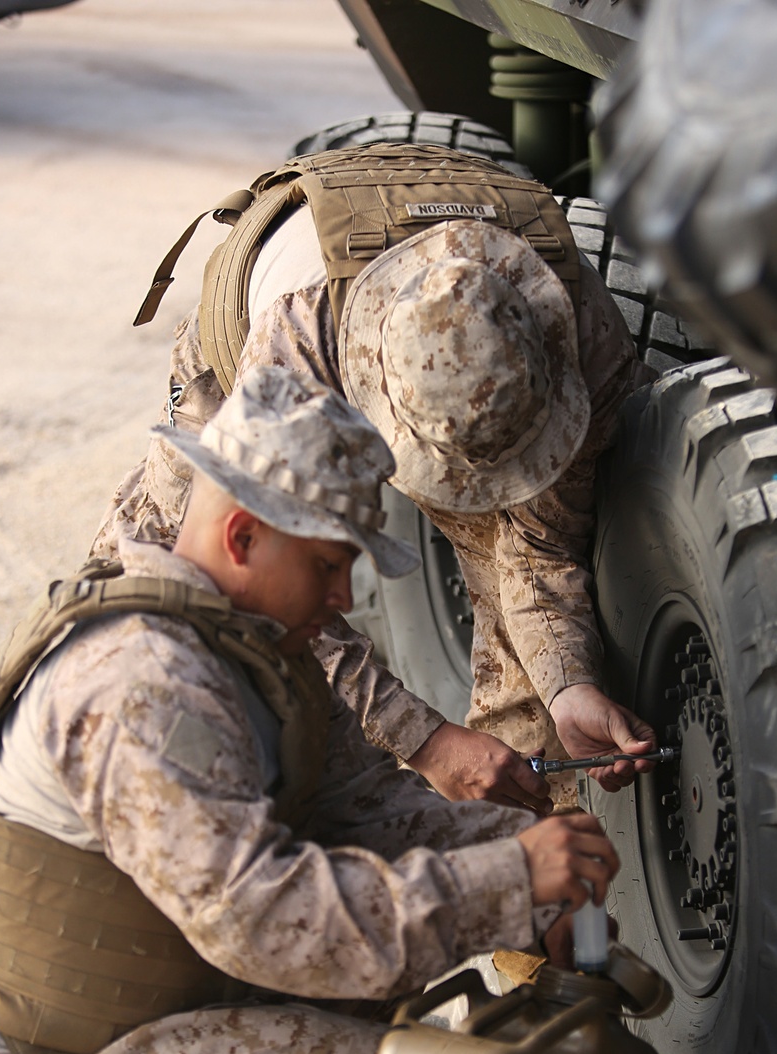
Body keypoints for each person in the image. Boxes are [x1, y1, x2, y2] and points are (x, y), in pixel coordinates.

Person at [0, 368, 620, 1054]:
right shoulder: (145, 690)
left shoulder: (244, 643)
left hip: (141, 997)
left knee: (451, 971)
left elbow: (365, 809)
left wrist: (521, 868)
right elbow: (268, 922)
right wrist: (510, 883)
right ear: (242, 538)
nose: (342, 598)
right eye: (329, 566)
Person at [95, 141, 657, 808]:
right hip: (271, 319)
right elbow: (275, 590)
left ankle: (504, 848)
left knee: (529, 708)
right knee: (165, 574)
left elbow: (537, 555)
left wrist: (571, 689)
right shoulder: (293, 359)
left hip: (456, 276)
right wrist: (424, 740)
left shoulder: (587, 347)